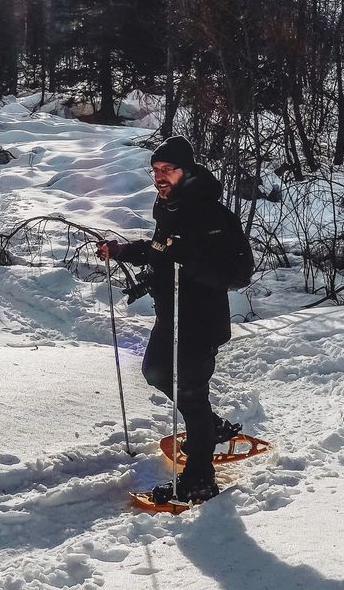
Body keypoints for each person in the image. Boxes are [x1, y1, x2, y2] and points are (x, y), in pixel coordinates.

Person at [97, 135, 251, 505]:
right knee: (155, 371)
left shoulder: (213, 214)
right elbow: (159, 250)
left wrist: (190, 260)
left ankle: (199, 479)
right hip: (171, 316)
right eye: (156, 171)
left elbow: (240, 272)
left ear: (188, 170)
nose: (160, 177)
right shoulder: (169, 206)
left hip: (200, 322)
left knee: (191, 397)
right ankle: (210, 428)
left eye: (168, 170)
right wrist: (120, 250)